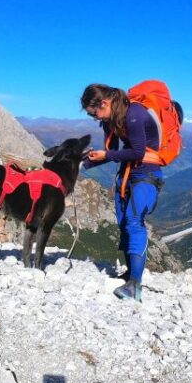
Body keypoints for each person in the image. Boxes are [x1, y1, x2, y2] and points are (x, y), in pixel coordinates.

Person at [80, 83, 164, 302]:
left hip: (147, 175)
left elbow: (136, 151)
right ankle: (130, 274)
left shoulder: (134, 114)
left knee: (134, 221)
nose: (96, 119)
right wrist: (80, 165)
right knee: (124, 223)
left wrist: (105, 157)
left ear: (105, 103)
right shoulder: (112, 120)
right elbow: (114, 152)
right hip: (128, 175)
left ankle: (135, 286)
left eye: (94, 113)